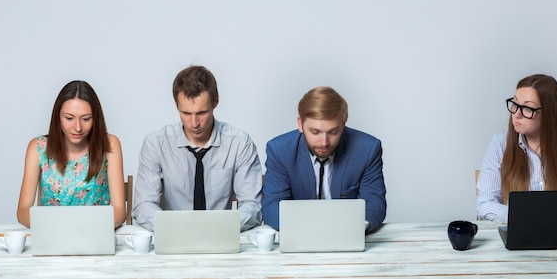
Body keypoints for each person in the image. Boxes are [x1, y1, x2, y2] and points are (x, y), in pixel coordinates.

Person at [132, 65, 262, 231]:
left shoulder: (239, 143)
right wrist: (176, 229)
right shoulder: (156, 144)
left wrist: (219, 228)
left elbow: (252, 205)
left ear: (216, 102)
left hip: (221, 236)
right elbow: (144, 205)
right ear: (176, 105)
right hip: (173, 237)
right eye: (186, 113)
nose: (194, 123)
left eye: (202, 113)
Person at [262, 86, 387, 233]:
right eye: (315, 132)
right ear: (300, 124)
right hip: (299, 236)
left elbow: (374, 204)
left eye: (333, 132)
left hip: (348, 234)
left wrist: (354, 229)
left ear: (344, 123)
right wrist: (309, 231)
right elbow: (272, 205)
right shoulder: (279, 150)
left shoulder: (368, 149)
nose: (324, 142)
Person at [477, 74, 557, 223]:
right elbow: (484, 204)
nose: (517, 114)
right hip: (520, 231)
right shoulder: (500, 144)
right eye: (515, 104)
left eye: (527, 108)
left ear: (549, 112)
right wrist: (525, 215)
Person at [17, 80, 126, 228]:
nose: (78, 127)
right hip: (51, 235)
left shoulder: (109, 145)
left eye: (86, 119)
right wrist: (55, 227)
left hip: (94, 234)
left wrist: (89, 227)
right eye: (69, 118)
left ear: (96, 118)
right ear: (57, 117)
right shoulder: (38, 148)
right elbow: (23, 211)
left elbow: (119, 210)